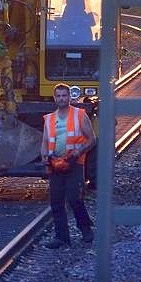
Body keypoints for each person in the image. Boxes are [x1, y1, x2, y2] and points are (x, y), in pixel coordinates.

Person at [42, 83, 96, 249]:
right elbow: (45, 140)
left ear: (70, 97)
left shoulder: (79, 115)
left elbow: (91, 139)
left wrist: (77, 153)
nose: (61, 99)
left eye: (64, 95)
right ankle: (62, 237)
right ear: (54, 98)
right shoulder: (49, 118)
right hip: (55, 164)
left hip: (74, 162)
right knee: (56, 202)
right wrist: (45, 156)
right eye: (58, 96)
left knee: (74, 197)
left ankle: (85, 228)